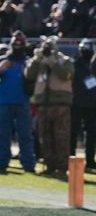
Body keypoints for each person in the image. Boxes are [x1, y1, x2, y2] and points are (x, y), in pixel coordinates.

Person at [0, 31, 36, 174]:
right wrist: (0, 68)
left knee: (25, 135)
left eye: (20, 43)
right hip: (4, 101)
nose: (17, 46)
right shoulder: (2, 59)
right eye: (15, 43)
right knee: (3, 134)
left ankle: (28, 164)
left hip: (22, 101)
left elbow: (33, 80)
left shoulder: (27, 62)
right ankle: (2, 163)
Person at [25, 36, 74, 176]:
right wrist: (37, 59)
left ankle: (61, 168)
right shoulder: (39, 61)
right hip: (43, 104)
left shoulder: (65, 60)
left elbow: (68, 75)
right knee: (44, 137)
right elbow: (29, 75)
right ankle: (49, 166)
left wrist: (53, 63)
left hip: (60, 104)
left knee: (61, 137)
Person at [71, 39, 96, 170]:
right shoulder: (74, 64)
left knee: (91, 133)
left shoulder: (93, 65)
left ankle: (90, 160)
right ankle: (71, 158)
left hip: (91, 104)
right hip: (77, 103)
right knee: (73, 132)